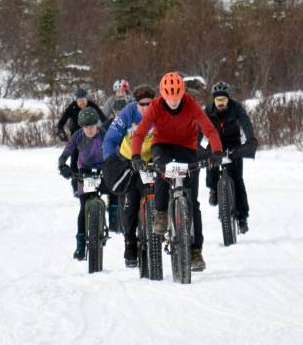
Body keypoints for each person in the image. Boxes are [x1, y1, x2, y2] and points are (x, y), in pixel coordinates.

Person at [131, 71, 223, 273]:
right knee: (163, 171)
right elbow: (140, 132)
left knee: (193, 202)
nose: (173, 102)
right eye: (169, 98)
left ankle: (196, 251)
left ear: (182, 94)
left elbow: (209, 129)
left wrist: (216, 151)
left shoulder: (191, 104)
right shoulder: (155, 106)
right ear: (163, 96)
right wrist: (136, 156)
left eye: (176, 98)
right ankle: (161, 213)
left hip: (187, 148)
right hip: (162, 146)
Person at [102, 84, 156, 267]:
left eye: (150, 104)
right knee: (131, 203)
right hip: (131, 160)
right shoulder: (127, 113)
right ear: (136, 103)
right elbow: (110, 139)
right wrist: (110, 161)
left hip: (154, 159)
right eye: (143, 105)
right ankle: (130, 241)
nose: (147, 108)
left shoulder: (160, 111)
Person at [204, 81, 258, 234]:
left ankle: (242, 218)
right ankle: (213, 189)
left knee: (238, 179)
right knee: (211, 164)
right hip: (215, 143)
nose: (220, 103)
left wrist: (250, 139)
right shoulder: (207, 110)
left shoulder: (236, 108)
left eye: (223, 100)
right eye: (218, 100)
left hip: (233, 143)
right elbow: (199, 128)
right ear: (214, 100)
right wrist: (196, 144)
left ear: (228, 100)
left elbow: (246, 123)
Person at [58, 107, 106, 260]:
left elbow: (116, 150)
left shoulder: (104, 135)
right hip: (85, 171)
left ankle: (114, 218)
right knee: (84, 205)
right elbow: (65, 154)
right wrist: (63, 165)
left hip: (104, 169)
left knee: (115, 192)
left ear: (96, 124)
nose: (90, 130)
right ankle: (80, 244)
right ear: (82, 127)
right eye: (86, 127)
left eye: (92, 126)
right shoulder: (77, 136)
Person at [56, 89, 107, 196]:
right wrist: (60, 130)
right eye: (79, 100)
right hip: (77, 140)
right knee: (75, 163)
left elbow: (103, 118)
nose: (82, 102)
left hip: (100, 161)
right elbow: (62, 120)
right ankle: (76, 187)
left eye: (83, 99)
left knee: (114, 197)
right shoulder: (72, 107)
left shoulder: (92, 106)